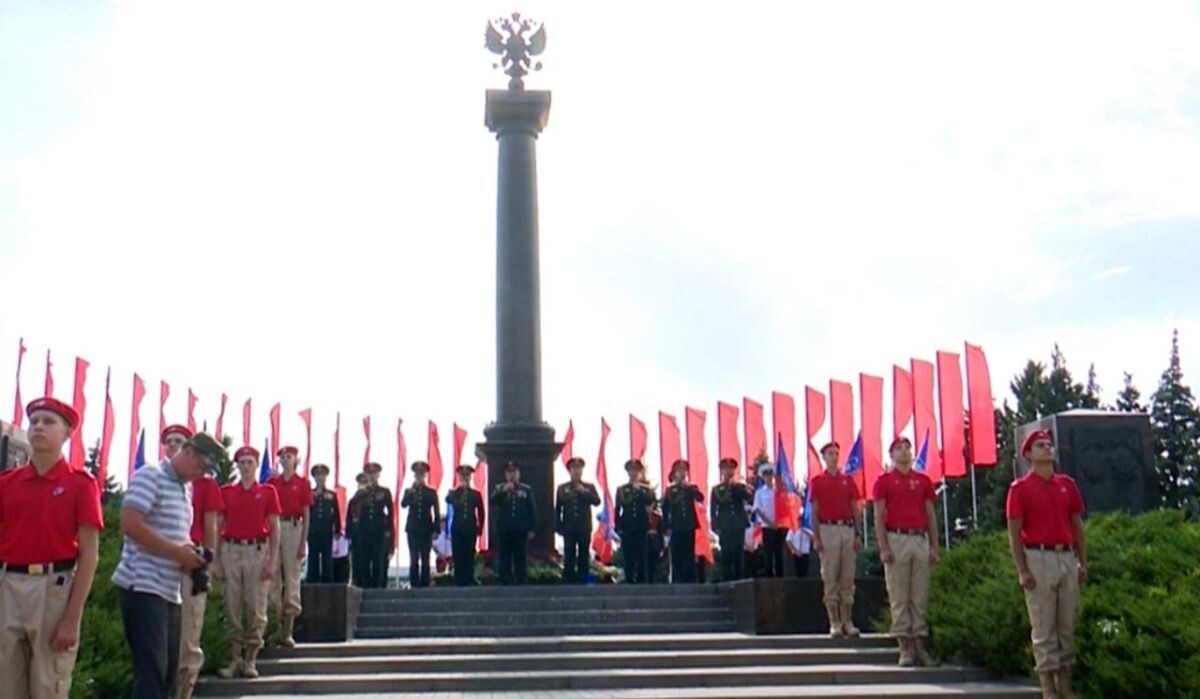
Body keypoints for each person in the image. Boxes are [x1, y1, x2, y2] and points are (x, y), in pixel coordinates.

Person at [0, 397, 104, 698]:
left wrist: (72, 617)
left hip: (53, 589)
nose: (38, 428)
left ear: (67, 434)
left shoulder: (80, 484)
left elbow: (89, 555)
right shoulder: (7, 484)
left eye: (49, 422)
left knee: (49, 685)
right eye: (34, 422)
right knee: (6, 686)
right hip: (8, 586)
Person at [114, 432, 222, 699]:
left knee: (167, 676)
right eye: (201, 467)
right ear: (189, 453)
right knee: (151, 674)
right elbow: (130, 524)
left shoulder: (185, 489)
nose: (201, 474)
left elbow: (175, 536)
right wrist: (177, 552)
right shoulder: (150, 475)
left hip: (168, 590)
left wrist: (190, 557)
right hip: (142, 585)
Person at [1006, 429, 1087, 699]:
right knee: (1043, 626)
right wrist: (1022, 570)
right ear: (1028, 454)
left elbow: (1077, 525)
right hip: (1037, 557)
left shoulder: (1067, 484)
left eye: (1050, 445)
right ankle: (1048, 687)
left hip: (1066, 556)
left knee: (1067, 625)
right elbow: (1014, 532)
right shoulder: (1020, 489)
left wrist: (1082, 561)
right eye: (1040, 446)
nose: (1047, 449)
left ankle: (1066, 684)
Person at [873, 435, 939, 667]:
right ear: (891, 455)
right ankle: (905, 649)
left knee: (919, 596)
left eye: (907, 448)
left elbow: (931, 516)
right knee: (899, 596)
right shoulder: (884, 481)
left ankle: (921, 647)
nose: (905, 452)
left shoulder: (923, 481)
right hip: (896, 538)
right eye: (899, 448)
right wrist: (883, 547)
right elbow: (879, 517)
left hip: (919, 538)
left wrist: (934, 547)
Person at [215, 446, 281, 679]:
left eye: (250, 462)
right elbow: (218, 525)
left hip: (257, 550)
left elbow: (274, 528)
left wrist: (273, 560)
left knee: (256, 606)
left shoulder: (268, 491)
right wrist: (216, 560)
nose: (246, 467)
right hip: (231, 549)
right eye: (241, 462)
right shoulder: (227, 492)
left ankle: (251, 658)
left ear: (256, 464)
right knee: (232, 605)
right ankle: (234, 658)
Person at [171, 426, 225, 699]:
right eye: (169, 442)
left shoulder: (204, 484)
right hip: (160, 567)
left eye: (179, 442)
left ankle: (183, 693)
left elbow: (210, 524)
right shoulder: (157, 480)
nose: (173, 446)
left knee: (188, 636)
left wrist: (209, 561)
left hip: (192, 563)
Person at [809, 441, 863, 638]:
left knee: (847, 576)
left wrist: (857, 534)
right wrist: (817, 537)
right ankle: (834, 622)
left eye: (836, 453)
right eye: (830, 454)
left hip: (846, 528)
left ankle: (848, 621)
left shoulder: (847, 481)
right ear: (824, 457)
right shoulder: (818, 482)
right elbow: (814, 512)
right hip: (828, 528)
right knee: (830, 575)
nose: (834, 457)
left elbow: (855, 508)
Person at [266, 446, 309, 647]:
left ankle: (288, 631)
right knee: (273, 577)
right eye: (282, 457)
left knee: (292, 578)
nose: (285, 459)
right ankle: (274, 629)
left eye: (288, 456)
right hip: (274, 527)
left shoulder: (302, 483)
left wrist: (303, 542)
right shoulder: (273, 483)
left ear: (296, 460)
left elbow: (306, 513)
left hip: (293, 527)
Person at [555, 457, 601, 584]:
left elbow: (597, 501)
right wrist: (558, 526)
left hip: (584, 526)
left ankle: (585, 579)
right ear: (569, 471)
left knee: (583, 553)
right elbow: (558, 508)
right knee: (569, 553)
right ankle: (568, 579)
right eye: (574, 468)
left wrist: (584, 492)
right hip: (569, 526)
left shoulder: (589, 486)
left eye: (579, 468)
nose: (576, 471)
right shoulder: (562, 488)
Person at [347, 462, 393, 589]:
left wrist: (389, 531)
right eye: (369, 473)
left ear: (378, 475)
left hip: (379, 530)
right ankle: (366, 586)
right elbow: (352, 508)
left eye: (374, 473)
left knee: (378, 560)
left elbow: (390, 513)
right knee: (364, 561)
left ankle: (377, 586)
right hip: (364, 530)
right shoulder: (361, 493)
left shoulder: (384, 492)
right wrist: (361, 492)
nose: (372, 476)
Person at [490, 461, 536, 585]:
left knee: (520, 555)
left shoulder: (526, 489)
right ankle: (505, 578)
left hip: (520, 528)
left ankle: (521, 578)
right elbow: (492, 501)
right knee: (505, 555)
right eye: (509, 472)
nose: (512, 475)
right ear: (506, 475)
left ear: (519, 474)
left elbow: (531, 509)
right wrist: (503, 491)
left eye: (514, 472)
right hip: (505, 528)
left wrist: (531, 528)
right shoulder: (499, 488)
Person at [710, 458, 754, 582]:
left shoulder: (739, 487)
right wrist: (715, 525)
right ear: (722, 471)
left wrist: (737, 486)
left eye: (731, 469)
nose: (728, 471)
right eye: (726, 469)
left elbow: (749, 497)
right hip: (725, 525)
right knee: (727, 554)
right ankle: (727, 580)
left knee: (738, 554)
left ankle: (739, 579)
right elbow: (713, 509)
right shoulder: (717, 490)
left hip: (738, 524)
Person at [661, 459, 703, 584]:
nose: (682, 473)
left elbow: (700, 497)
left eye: (684, 470)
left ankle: (690, 578)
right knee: (677, 554)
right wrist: (666, 527)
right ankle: (677, 579)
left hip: (689, 525)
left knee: (689, 554)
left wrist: (688, 487)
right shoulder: (670, 491)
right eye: (679, 470)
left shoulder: (691, 488)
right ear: (674, 474)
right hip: (676, 526)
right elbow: (666, 510)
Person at [614, 459, 655, 584]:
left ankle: (642, 579)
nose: (633, 473)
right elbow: (618, 508)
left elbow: (650, 501)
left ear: (640, 472)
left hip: (641, 525)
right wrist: (618, 525)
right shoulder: (622, 489)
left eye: (636, 470)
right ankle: (629, 577)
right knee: (628, 554)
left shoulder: (646, 489)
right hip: (627, 525)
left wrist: (639, 490)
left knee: (641, 554)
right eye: (631, 470)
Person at [401, 461, 439, 588]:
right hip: (412, 528)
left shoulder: (431, 492)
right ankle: (414, 583)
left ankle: (425, 582)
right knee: (413, 557)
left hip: (426, 529)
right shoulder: (409, 491)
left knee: (425, 557)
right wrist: (411, 492)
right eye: (417, 474)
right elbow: (403, 504)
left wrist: (436, 529)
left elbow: (436, 512)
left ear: (425, 475)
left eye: (422, 474)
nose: (419, 476)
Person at [445, 463, 485, 587]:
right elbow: (449, 500)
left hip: (470, 527)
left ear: (470, 477)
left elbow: (481, 512)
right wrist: (459, 490)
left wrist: (480, 528)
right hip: (457, 528)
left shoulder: (475, 494)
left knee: (469, 554)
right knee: (458, 554)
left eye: (467, 476)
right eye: (462, 476)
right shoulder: (454, 492)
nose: (465, 478)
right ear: (459, 477)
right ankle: (459, 579)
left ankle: (469, 578)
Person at [751, 461, 787, 578]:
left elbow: (784, 506)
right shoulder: (760, 492)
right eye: (766, 476)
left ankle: (780, 576)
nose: (769, 478)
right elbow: (758, 510)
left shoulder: (779, 491)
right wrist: (769, 523)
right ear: (763, 477)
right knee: (768, 553)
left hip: (779, 526)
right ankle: (769, 577)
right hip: (767, 527)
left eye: (771, 475)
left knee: (779, 552)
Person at [306, 464, 340, 584]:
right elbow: (306, 512)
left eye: (322, 475)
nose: (320, 478)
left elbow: (336, 513)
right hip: (313, 530)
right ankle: (312, 580)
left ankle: (328, 581)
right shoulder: (310, 494)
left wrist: (337, 530)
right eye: (317, 476)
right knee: (313, 557)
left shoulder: (331, 495)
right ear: (314, 478)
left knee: (327, 557)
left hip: (326, 530)